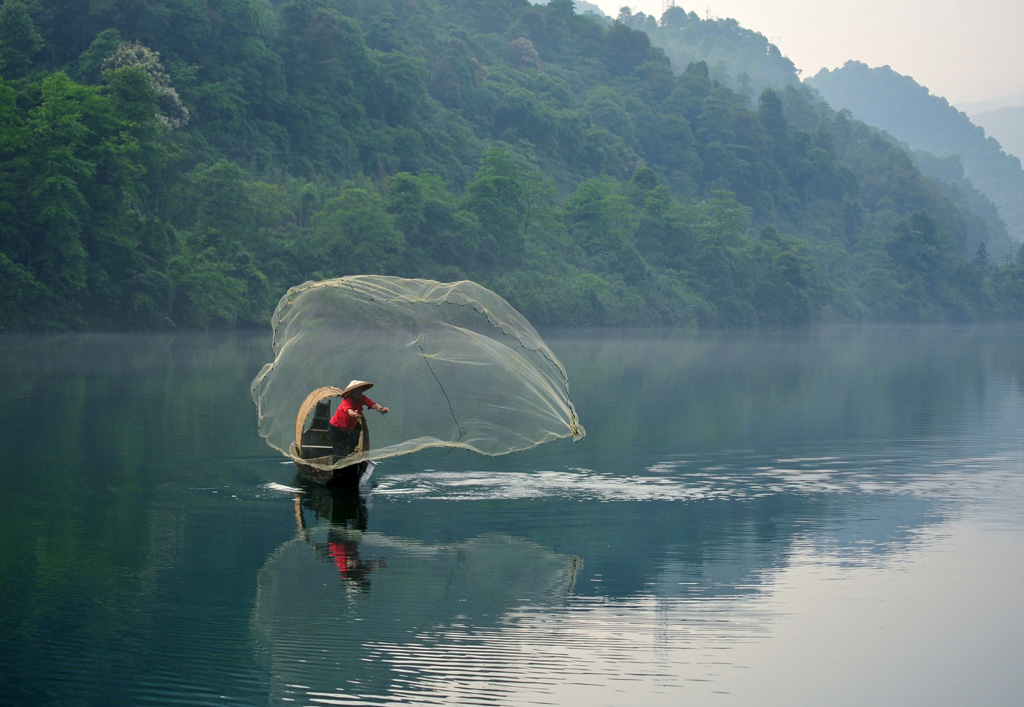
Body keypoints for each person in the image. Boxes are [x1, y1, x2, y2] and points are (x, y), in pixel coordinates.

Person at [327, 380, 389, 458]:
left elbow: (373, 404)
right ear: (352, 392)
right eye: (357, 390)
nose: (359, 392)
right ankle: (338, 467)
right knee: (340, 452)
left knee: (357, 429)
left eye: (360, 390)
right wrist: (354, 414)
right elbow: (349, 410)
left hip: (347, 428)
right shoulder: (347, 400)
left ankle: (351, 455)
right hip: (336, 428)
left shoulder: (362, 398)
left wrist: (381, 409)